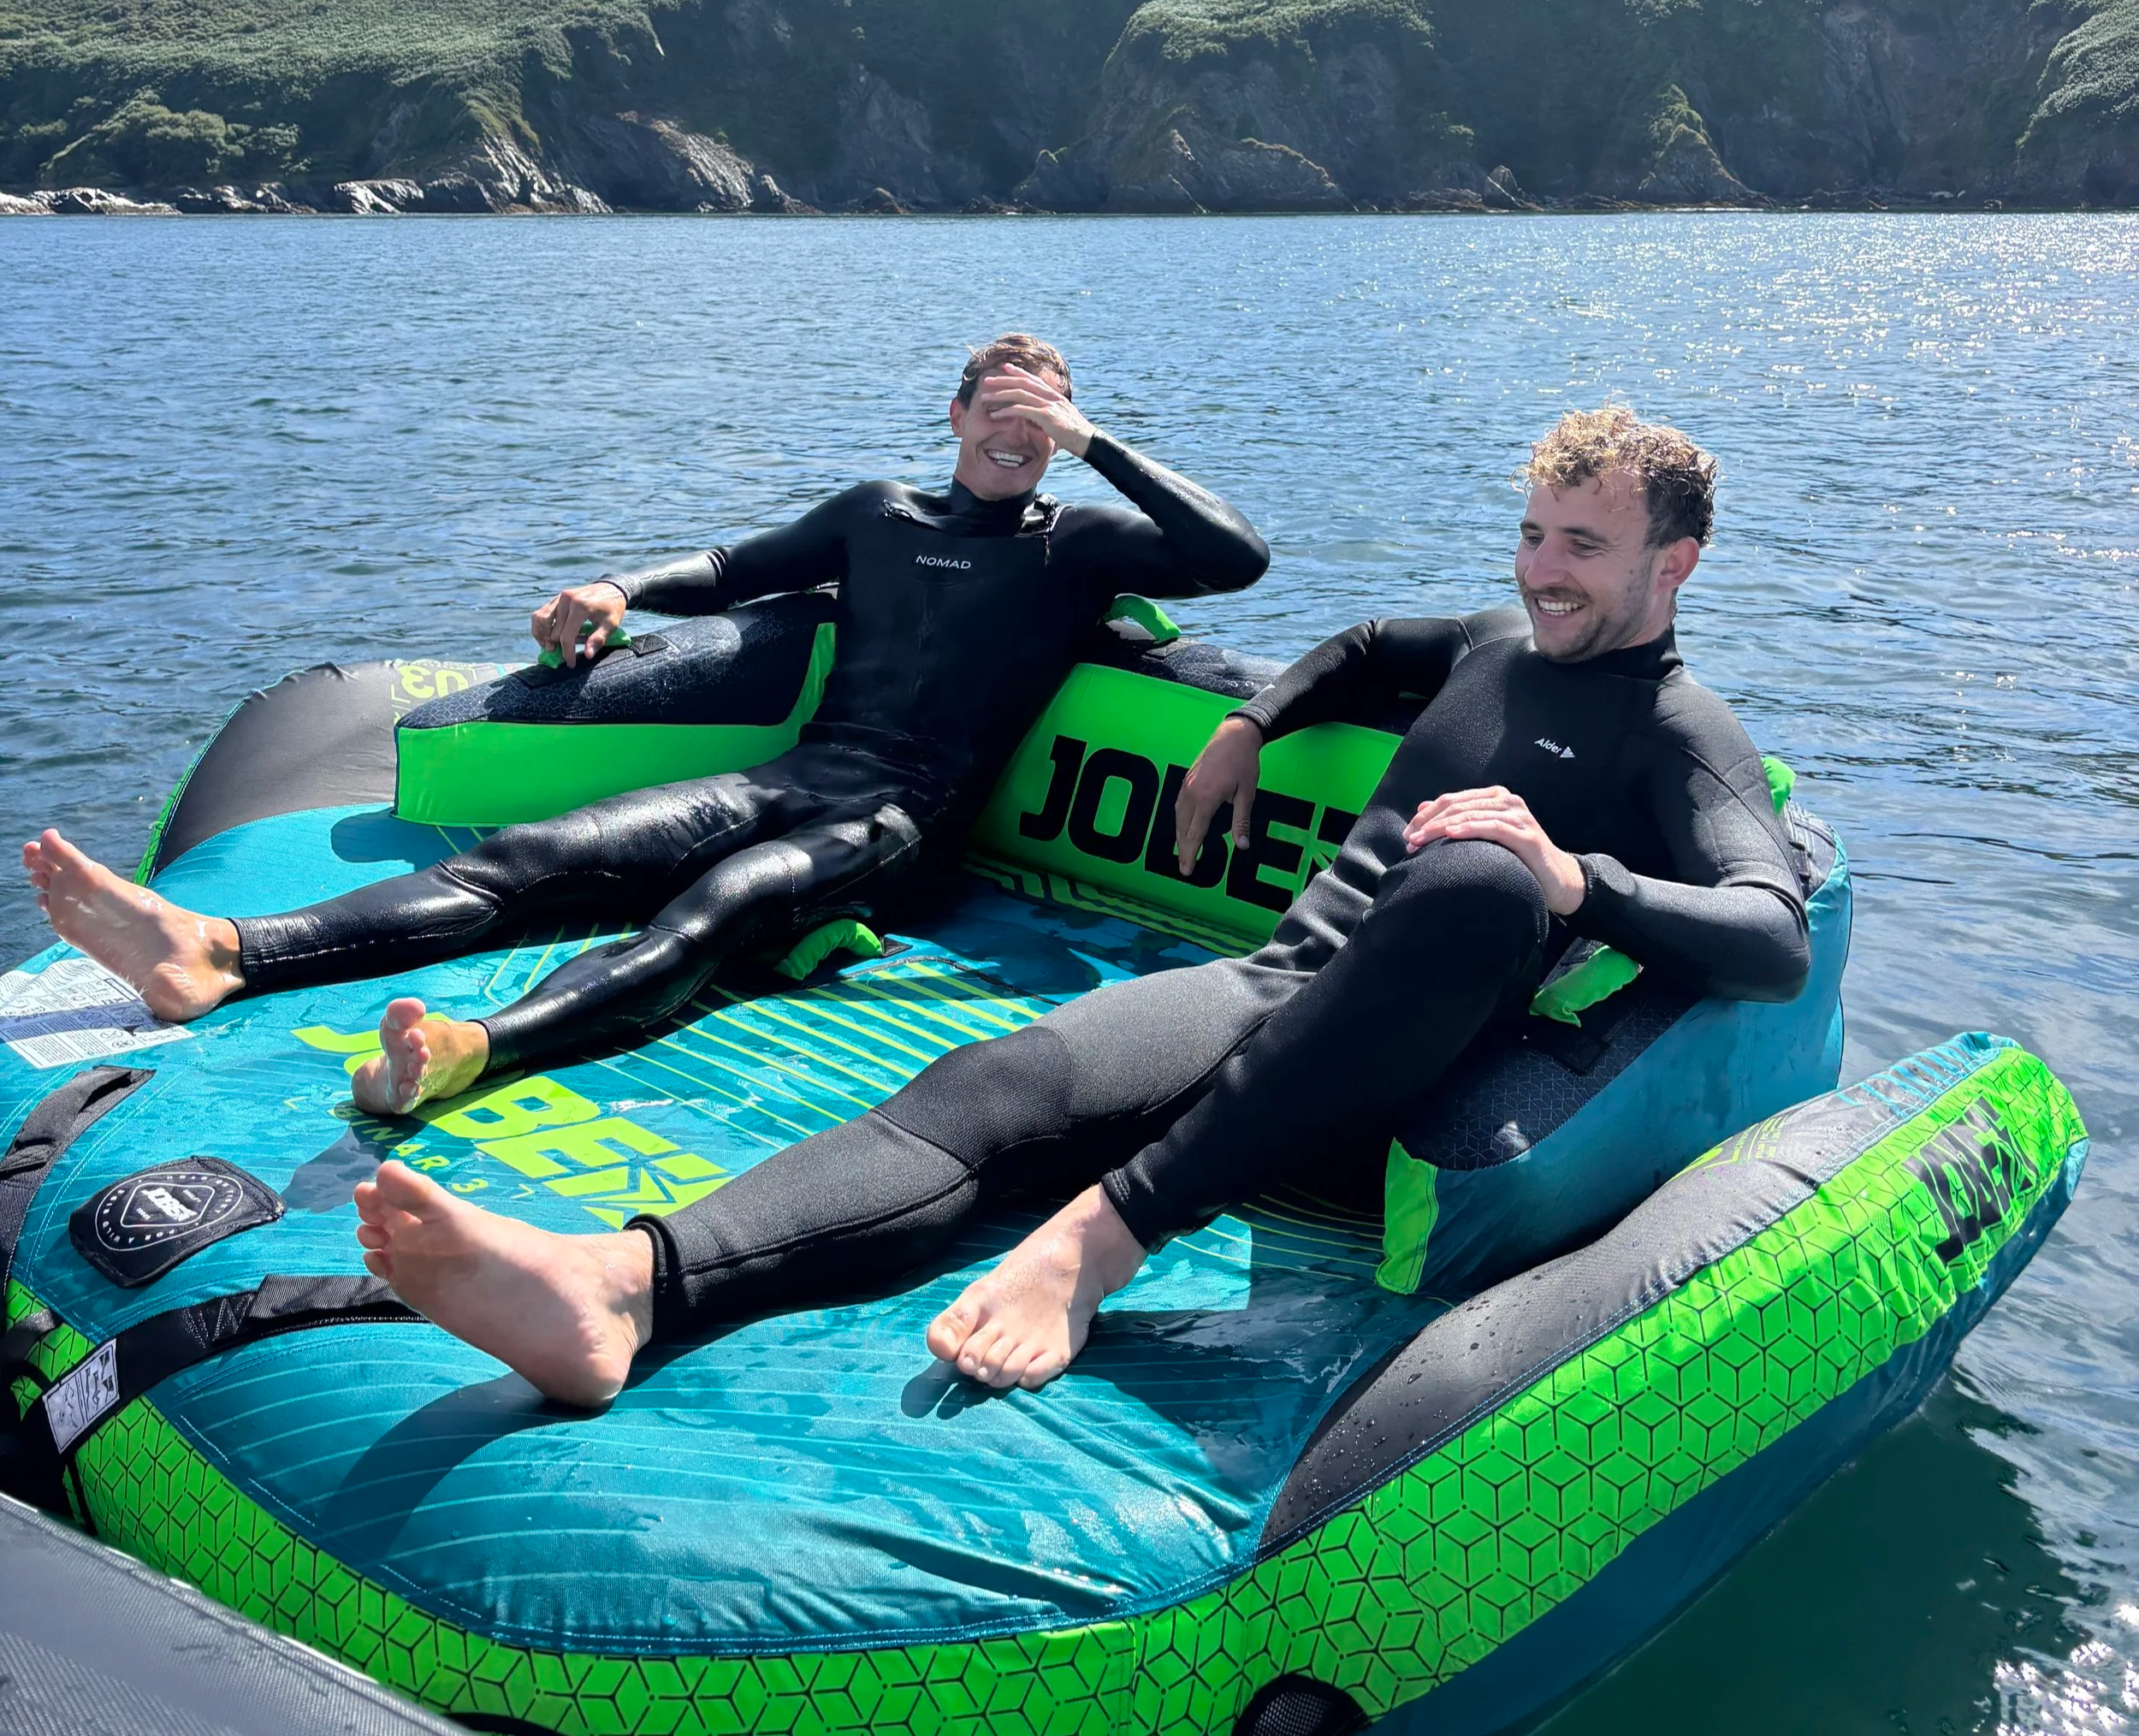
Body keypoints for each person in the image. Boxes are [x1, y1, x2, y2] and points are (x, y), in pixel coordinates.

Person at [344, 404, 1810, 1410]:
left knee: (1487, 869)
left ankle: (1104, 1238)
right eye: (1535, 535)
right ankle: (619, 1286)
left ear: (1673, 564)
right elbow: (1367, 646)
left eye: (1584, 549)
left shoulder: (1681, 735)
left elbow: (1772, 933)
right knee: (998, 1081)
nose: (1542, 572)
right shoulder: (1497, 642)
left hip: (1403, 1064)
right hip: (1276, 988)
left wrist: (1576, 878)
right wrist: (1250, 727)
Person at [21, 335, 1270, 1118]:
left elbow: (1239, 558)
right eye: (1001, 402)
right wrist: (619, 588)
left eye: (1046, 413)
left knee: (715, 913)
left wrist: (1099, 443)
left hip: (900, 828)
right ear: (954, 419)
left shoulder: (1077, 543)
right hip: (793, 775)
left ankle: (472, 1049)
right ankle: (222, 951)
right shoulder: (875, 513)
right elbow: (733, 566)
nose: (1022, 425)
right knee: (535, 858)